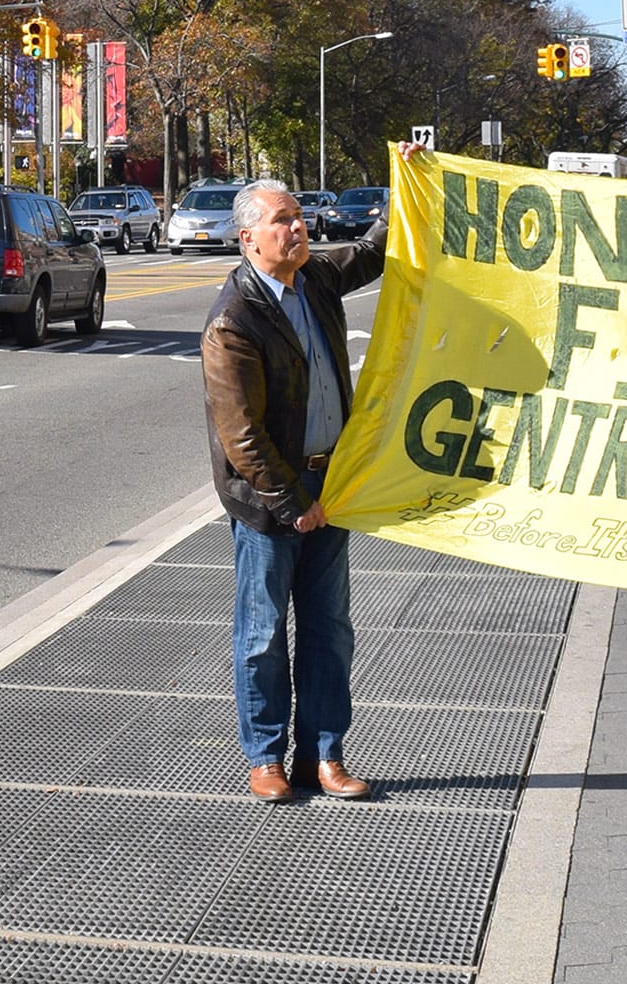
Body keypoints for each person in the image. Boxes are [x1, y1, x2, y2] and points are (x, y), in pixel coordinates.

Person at [202, 178, 388, 803]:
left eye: (300, 216)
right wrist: (292, 502)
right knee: (261, 632)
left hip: (332, 480)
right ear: (248, 237)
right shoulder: (235, 318)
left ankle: (323, 754)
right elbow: (242, 436)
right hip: (271, 498)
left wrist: (416, 188)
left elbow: (371, 251)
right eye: (283, 220)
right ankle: (264, 757)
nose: (298, 227)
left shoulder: (313, 279)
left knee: (329, 627)